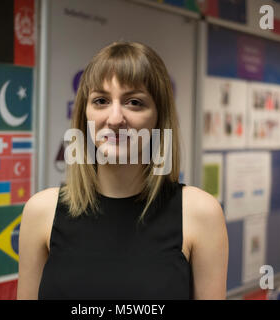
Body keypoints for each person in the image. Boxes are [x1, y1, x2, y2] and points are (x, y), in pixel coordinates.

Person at [17, 41, 229, 300]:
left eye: (134, 102)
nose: (115, 119)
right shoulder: (41, 211)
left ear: (158, 118)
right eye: (101, 101)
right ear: (84, 115)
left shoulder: (200, 214)